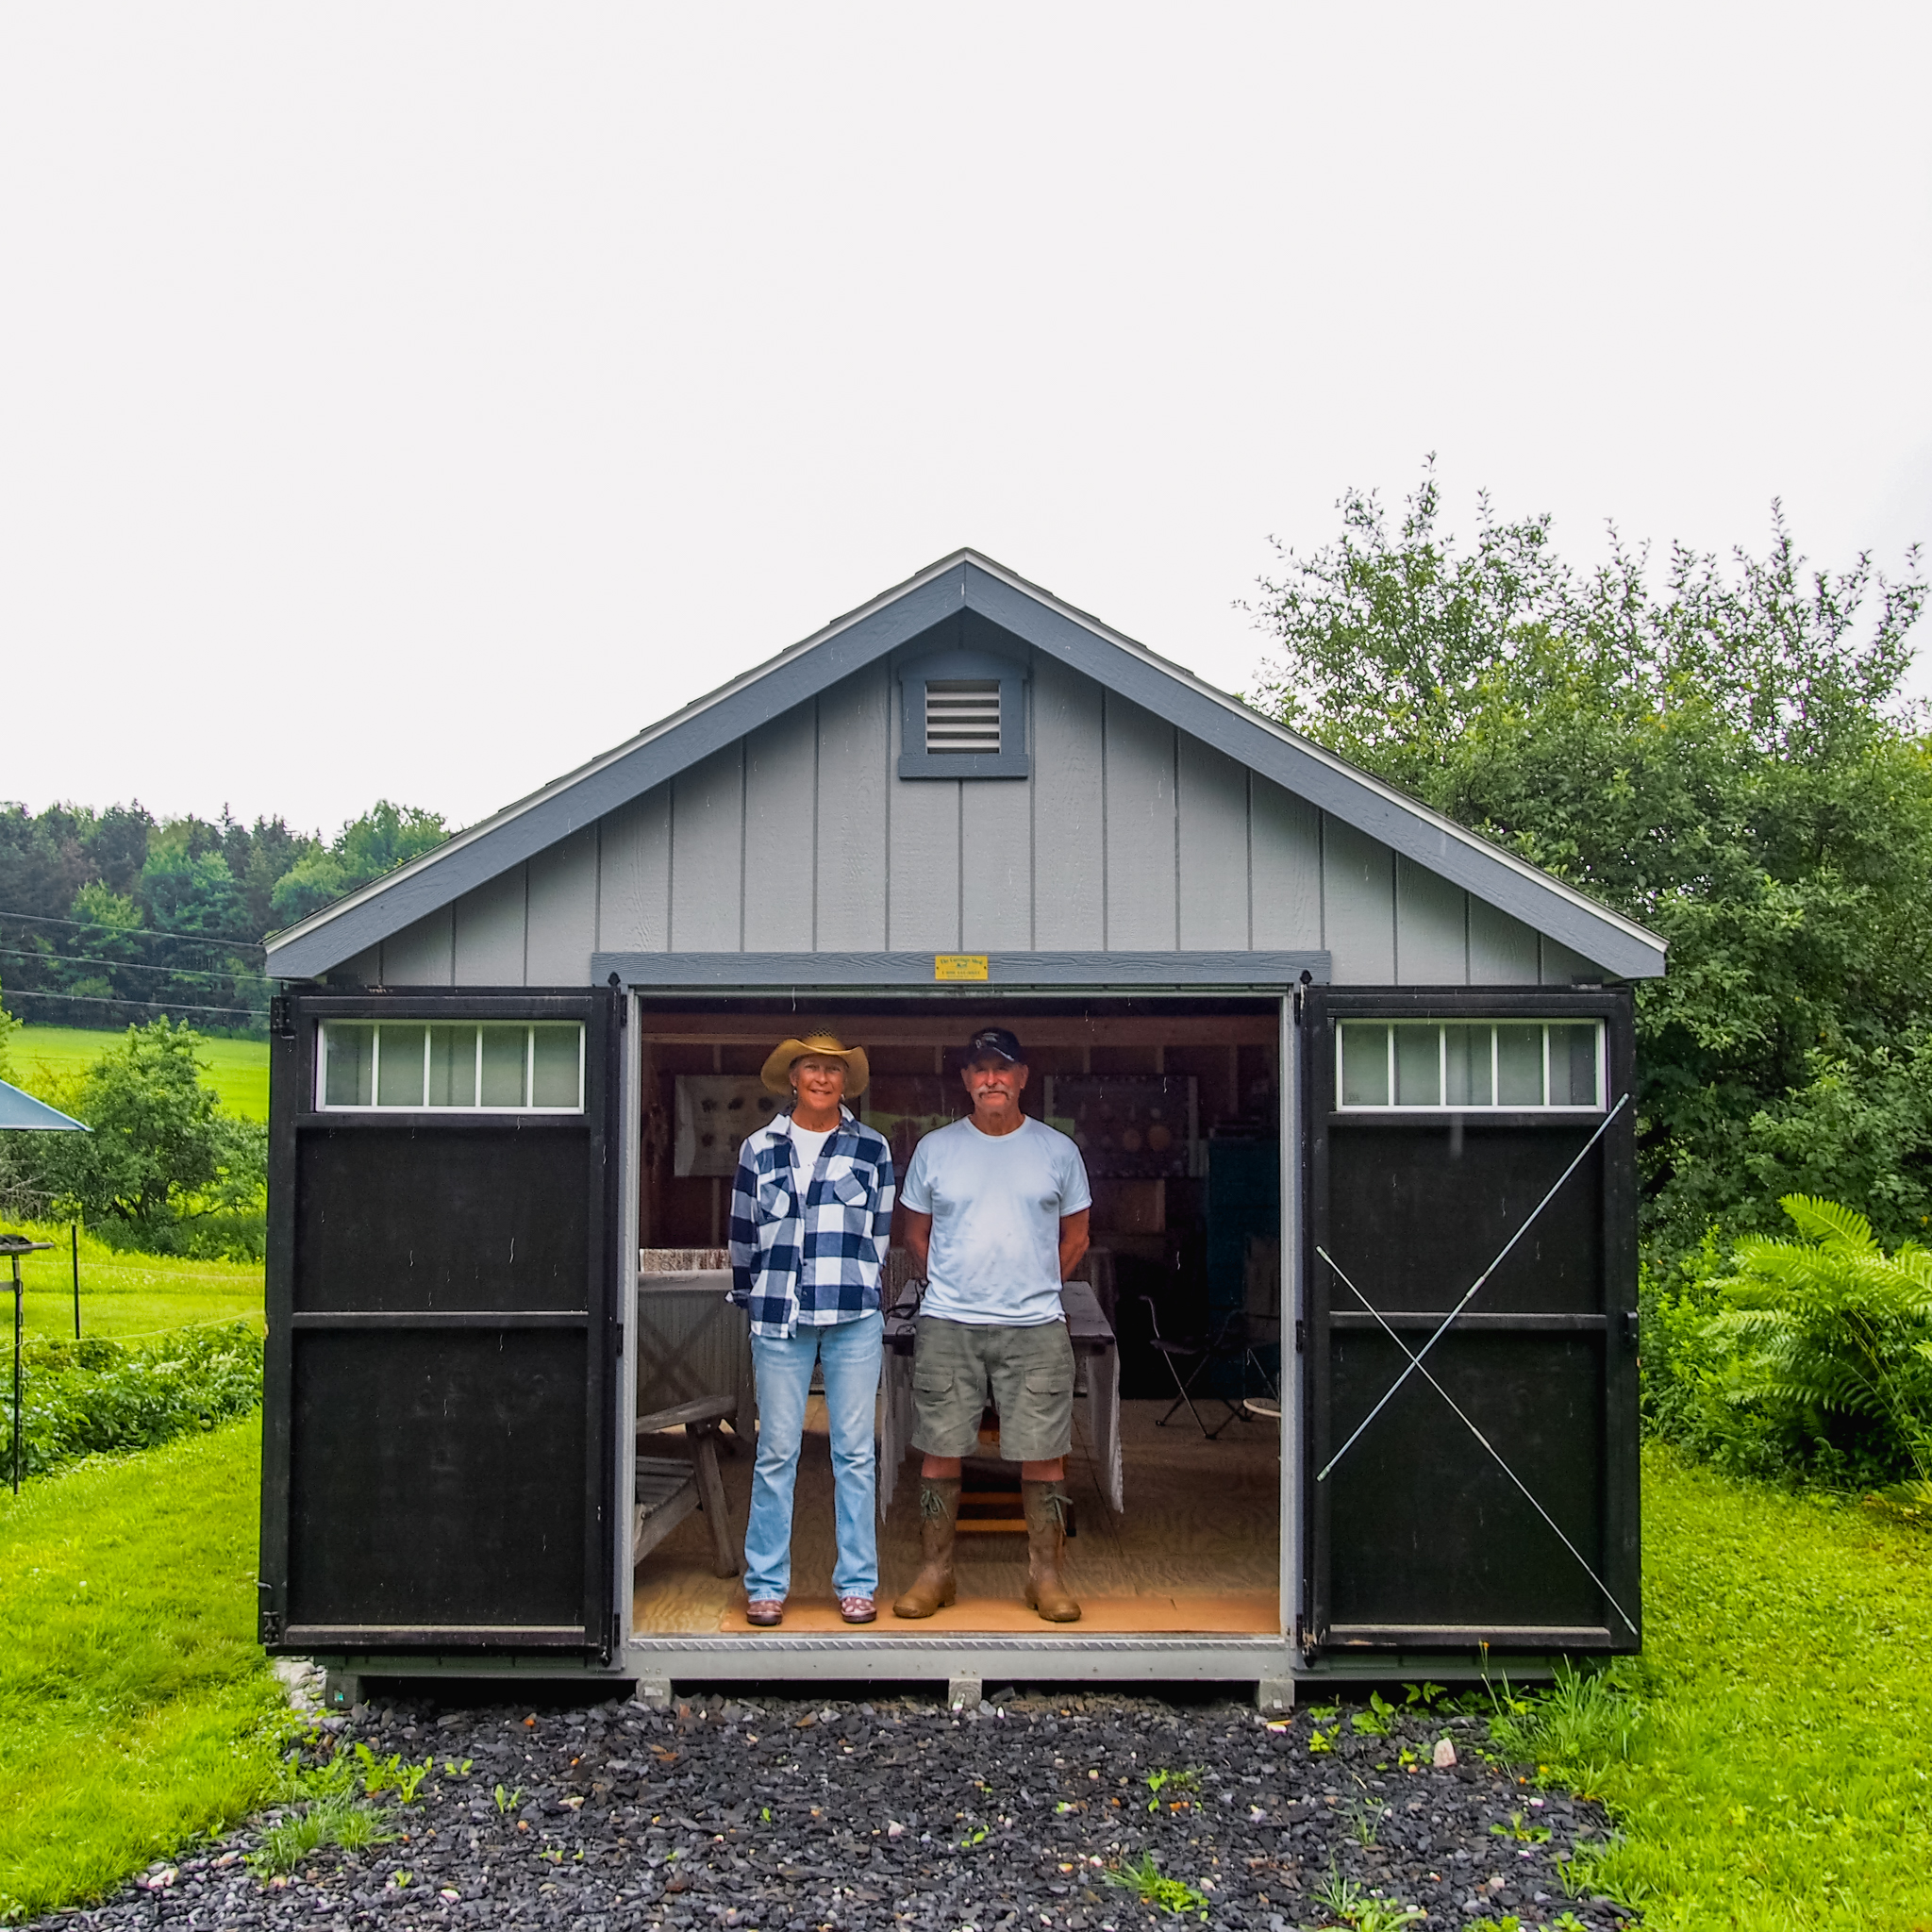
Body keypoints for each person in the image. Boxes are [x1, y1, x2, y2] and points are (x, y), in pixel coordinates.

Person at [891, 1026, 1091, 1623]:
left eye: (1002, 1069)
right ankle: (936, 1573)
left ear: (1023, 1077)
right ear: (966, 1081)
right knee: (939, 1448)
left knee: (1045, 1452)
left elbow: (1077, 1237)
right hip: (949, 1322)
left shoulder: (1058, 1151)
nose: (991, 1079)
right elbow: (915, 1235)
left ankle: (1045, 1578)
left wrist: (1033, 1283)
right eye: (979, 1070)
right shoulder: (935, 1149)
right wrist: (953, 1285)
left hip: (1035, 1325)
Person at [727, 1031, 894, 1627]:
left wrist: (863, 1288)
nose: (822, 1078)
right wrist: (752, 1298)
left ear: (845, 1082)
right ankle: (766, 1585)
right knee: (777, 1452)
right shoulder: (758, 1148)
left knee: (855, 1454)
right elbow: (742, 1237)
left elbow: (880, 1234)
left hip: (852, 1319)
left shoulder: (872, 1148)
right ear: (792, 1078)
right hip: (778, 1315)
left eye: (833, 1070)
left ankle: (857, 1584)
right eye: (811, 1068)